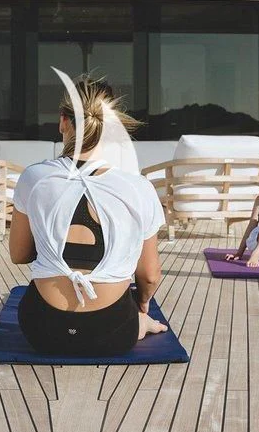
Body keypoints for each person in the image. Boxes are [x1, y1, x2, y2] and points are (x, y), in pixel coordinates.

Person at [9, 77, 168, 356]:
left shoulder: (34, 177)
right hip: (113, 332)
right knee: (135, 314)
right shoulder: (138, 187)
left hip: (42, 330)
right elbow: (150, 275)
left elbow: (19, 254)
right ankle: (142, 324)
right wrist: (141, 306)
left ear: (63, 121)